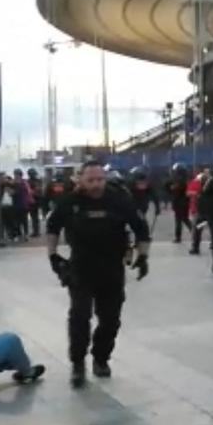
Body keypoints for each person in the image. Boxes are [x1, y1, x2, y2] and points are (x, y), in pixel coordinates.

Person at [46, 161, 151, 388]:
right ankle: (77, 364)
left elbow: (140, 228)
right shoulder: (69, 202)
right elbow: (52, 227)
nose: (96, 184)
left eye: (100, 179)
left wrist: (143, 256)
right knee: (80, 316)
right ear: (81, 180)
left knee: (111, 319)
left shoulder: (119, 200)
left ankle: (101, 358)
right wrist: (53, 255)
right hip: (81, 269)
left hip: (112, 269)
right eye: (91, 180)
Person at [167, 163, 194, 243]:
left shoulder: (180, 180)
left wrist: (171, 187)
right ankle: (194, 232)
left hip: (180, 202)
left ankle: (179, 237)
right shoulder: (185, 178)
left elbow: (174, 189)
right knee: (184, 219)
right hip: (183, 202)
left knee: (180, 220)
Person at [186, 167, 206, 254]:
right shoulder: (195, 183)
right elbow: (188, 193)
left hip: (202, 211)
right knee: (197, 229)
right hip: (198, 211)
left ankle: (195, 247)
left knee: (197, 229)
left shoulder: (209, 184)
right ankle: (195, 247)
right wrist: (196, 194)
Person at [26, 168, 44, 237]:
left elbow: (36, 190)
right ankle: (36, 231)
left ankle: (36, 231)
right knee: (35, 217)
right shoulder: (38, 181)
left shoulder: (29, 181)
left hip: (33, 200)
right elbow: (39, 190)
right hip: (36, 200)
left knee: (34, 217)